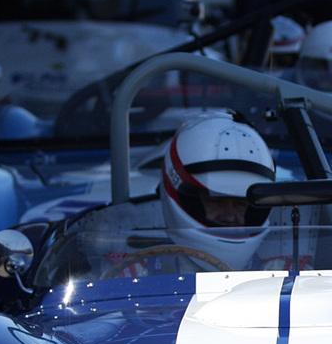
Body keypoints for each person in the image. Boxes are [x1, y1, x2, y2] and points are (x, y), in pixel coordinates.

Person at [105, 116, 278, 276]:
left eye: (240, 204)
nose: (230, 216)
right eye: (216, 202)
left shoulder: (280, 271)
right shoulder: (131, 274)